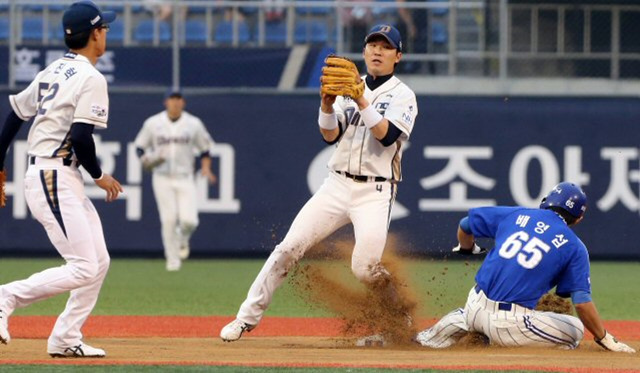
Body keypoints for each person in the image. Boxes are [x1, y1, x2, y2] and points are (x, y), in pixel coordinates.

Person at [220, 24, 418, 343]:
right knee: (287, 249)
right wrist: (327, 104)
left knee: (365, 268)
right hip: (336, 185)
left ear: (398, 56)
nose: (377, 51)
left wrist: (361, 100)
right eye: (372, 45)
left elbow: (388, 137)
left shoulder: (403, 95)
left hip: (375, 191)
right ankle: (245, 319)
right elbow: (330, 134)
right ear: (365, 51)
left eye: (385, 46)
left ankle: (400, 317)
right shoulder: (348, 87)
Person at [0, 1, 122, 358]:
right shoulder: (90, 77)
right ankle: (5, 296)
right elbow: (82, 138)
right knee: (84, 266)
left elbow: (14, 116)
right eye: (104, 28)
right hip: (53, 174)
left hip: (54, 173)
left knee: (98, 263)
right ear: (95, 33)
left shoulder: (55, 69)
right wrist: (99, 176)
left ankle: (66, 337)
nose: (107, 33)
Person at [416, 182, 636, 353]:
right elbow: (582, 303)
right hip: (508, 326)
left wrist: (467, 249)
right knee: (575, 331)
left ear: (546, 201)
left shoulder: (516, 214)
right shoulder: (574, 246)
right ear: (578, 218)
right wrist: (605, 338)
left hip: (472, 306)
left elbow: (465, 224)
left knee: (438, 332)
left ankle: (456, 329)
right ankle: (500, 348)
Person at [134, 89, 216, 272]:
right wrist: (147, 159)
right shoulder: (153, 123)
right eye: (172, 99)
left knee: (190, 221)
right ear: (166, 102)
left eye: (178, 99)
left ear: (183, 103)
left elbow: (205, 148)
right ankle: (172, 261)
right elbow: (139, 147)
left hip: (185, 176)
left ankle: (182, 239)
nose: (175, 102)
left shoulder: (193, 124)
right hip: (161, 177)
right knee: (168, 220)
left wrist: (206, 167)